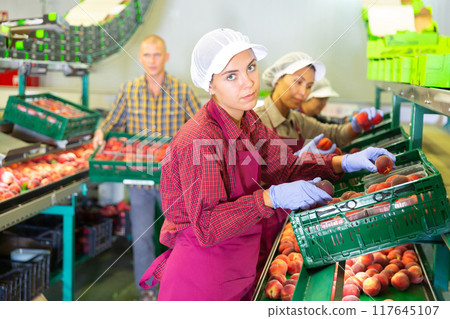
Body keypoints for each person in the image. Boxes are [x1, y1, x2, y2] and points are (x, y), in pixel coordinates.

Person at [138, 28, 395, 301]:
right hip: (202, 283)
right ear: (210, 85)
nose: (248, 82)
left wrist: (342, 162)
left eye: (250, 67)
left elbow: (285, 167)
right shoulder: (199, 139)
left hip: (241, 269)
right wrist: (270, 197)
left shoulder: (250, 123)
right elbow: (207, 225)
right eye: (231, 76)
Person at [93, 35, 201, 301]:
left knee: (177, 237)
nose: (152, 60)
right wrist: (100, 132)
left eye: (157, 55)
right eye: (147, 55)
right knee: (142, 237)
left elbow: (199, 124)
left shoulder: (181, 91)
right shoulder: (128, 91)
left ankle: (177, 289)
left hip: (172, 180)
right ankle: (148, 292)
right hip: (140, 181)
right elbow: (111, 121)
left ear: (166, 57)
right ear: (140, 58)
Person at [255, 52, 383, 155]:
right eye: (298, 82)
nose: (303, 93)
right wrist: (295, 162)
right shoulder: (255, 122)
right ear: (278, 78)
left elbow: (335, 135)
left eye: (309, 86)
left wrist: (356, 126)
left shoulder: (298, 121)